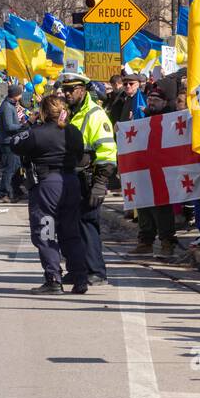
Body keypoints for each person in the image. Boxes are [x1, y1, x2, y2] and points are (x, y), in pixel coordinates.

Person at [10, 93, 89, 295]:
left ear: (44, 111)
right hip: (70, 182)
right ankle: (80, 278)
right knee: (71, 232)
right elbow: (80, 155)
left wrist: (31, 122)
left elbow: (15, 143)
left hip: (47, 185)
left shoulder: (37, 132)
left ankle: (53, 279)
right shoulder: (72, 131)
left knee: (45, 233)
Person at [59, 72, 118, 287]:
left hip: (88, 179)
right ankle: (77, 269)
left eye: (71, 89)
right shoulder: (69, 113)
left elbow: (108, 152)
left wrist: (100, 184)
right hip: (70, 178)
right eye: (65, 89)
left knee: (87, 225)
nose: (67, 93)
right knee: (68, 226)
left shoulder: (95, 114)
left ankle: (96, 271)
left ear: (83, 90)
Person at [131, 80, 180, 258]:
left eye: (156, 99)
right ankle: (146, 241)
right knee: (143, 203)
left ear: (165, 102)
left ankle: (167, 241)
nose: (151, 102)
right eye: (149, 98)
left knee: (162, 207)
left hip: (163, 170)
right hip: (144, 168)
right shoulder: (143, 118)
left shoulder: (171, 120)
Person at [0, 85, 28, 203]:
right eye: (20, 94)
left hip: (13, 141)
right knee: (10, 169)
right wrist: (23, 126)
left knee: (16, 167)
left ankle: (15, 191)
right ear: (16, 95)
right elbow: (9, 126)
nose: (21, 96)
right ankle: (4, 194)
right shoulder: (7, 107)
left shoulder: (11, 105)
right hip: (8, 142)